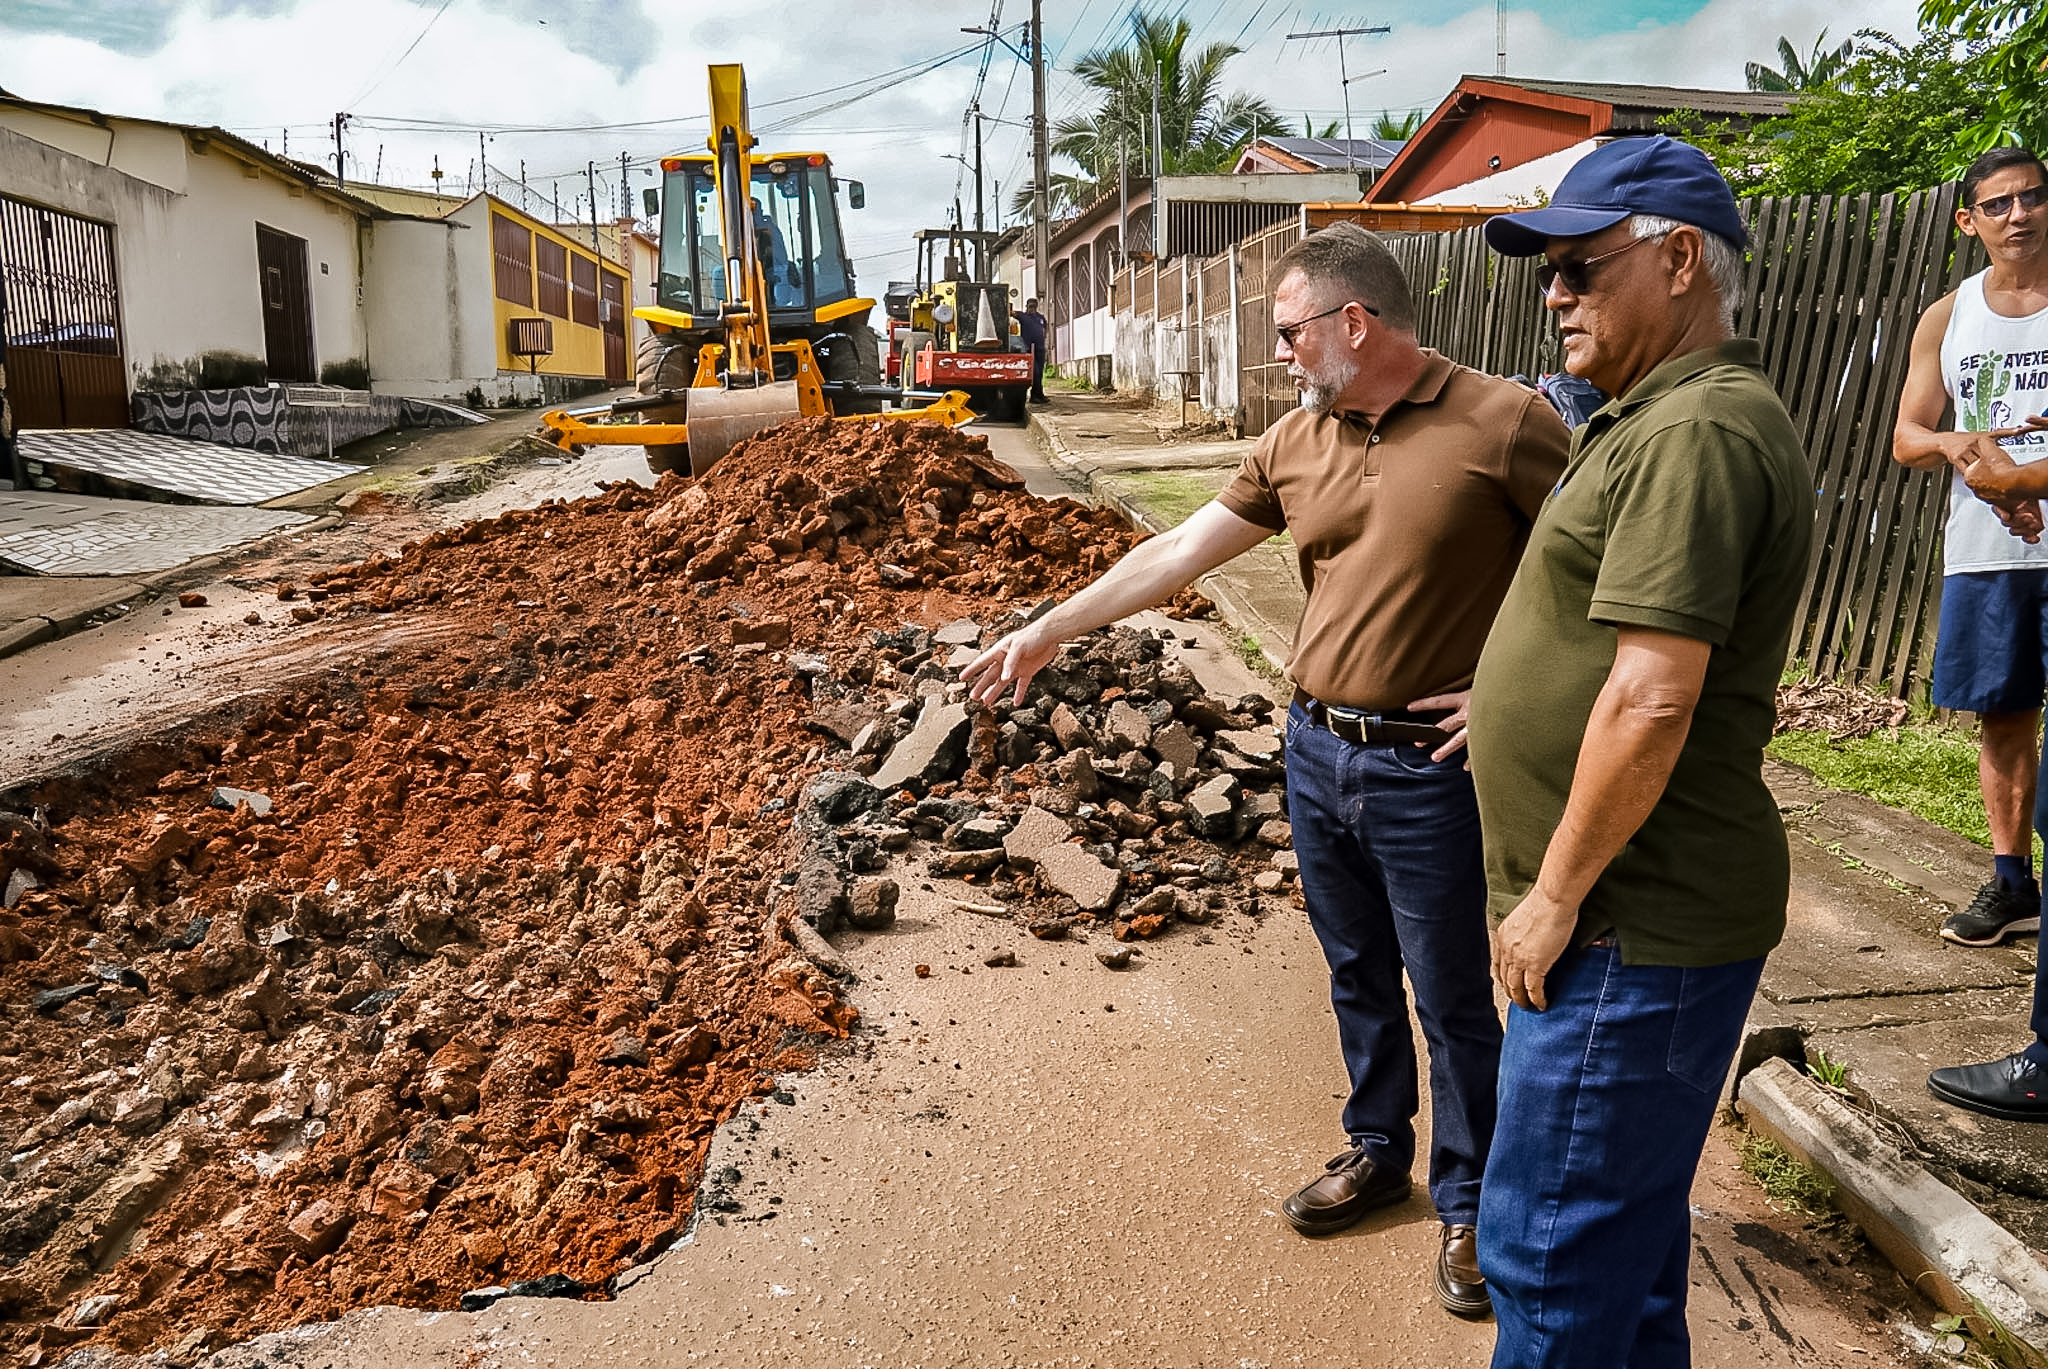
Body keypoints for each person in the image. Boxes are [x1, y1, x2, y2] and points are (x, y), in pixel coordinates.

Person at [962, 222, 1570, 1318]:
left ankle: (1473, 1201)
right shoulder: (1295, 440)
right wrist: (1049, 628)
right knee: (1352, 970)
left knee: (1448, 994)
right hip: (1315, 749)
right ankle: (1377, 1147)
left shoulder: (1503, 421)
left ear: (1353, 322)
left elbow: (1591, 572)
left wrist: (1505, 692)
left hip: (1425, 769)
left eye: (1289, 332)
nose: (1278, 352)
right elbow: (1172, 551)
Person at [1469, 134, 1814, 1367]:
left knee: (1551, 1261)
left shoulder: (1695, 432)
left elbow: (1653, 698)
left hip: (1626, 924)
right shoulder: (1645, 417)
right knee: (1619, 1268)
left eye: (1577, 265)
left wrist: (1553, 894)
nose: (1552, 291)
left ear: (1676, 260)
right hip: (1628, 923)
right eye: (1545, 271)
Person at [1908, 146, 2048, 1124]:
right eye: (1996, 203)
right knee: (1999, 716)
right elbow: (1904, 433)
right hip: (1984, 557)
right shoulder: (1945, 315)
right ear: (1967, 221)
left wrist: (2019, 479)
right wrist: (1959, 444)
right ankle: (2009, 882)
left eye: (2033, 197)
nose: (2018, 215)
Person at [1016, 296, 1049, 402]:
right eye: (1030, 306)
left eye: (1034, 306)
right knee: (1035, 372)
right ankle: (1033, 396)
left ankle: (1039, 394)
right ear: (1026, 306)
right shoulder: (1023, 316)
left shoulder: (1040, 318)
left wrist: (1045, 342)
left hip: (1040, 348)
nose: (1032, 309)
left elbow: (1045, 329)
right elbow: (1011, 312)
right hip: (1029, 349)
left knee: (1040, 373)